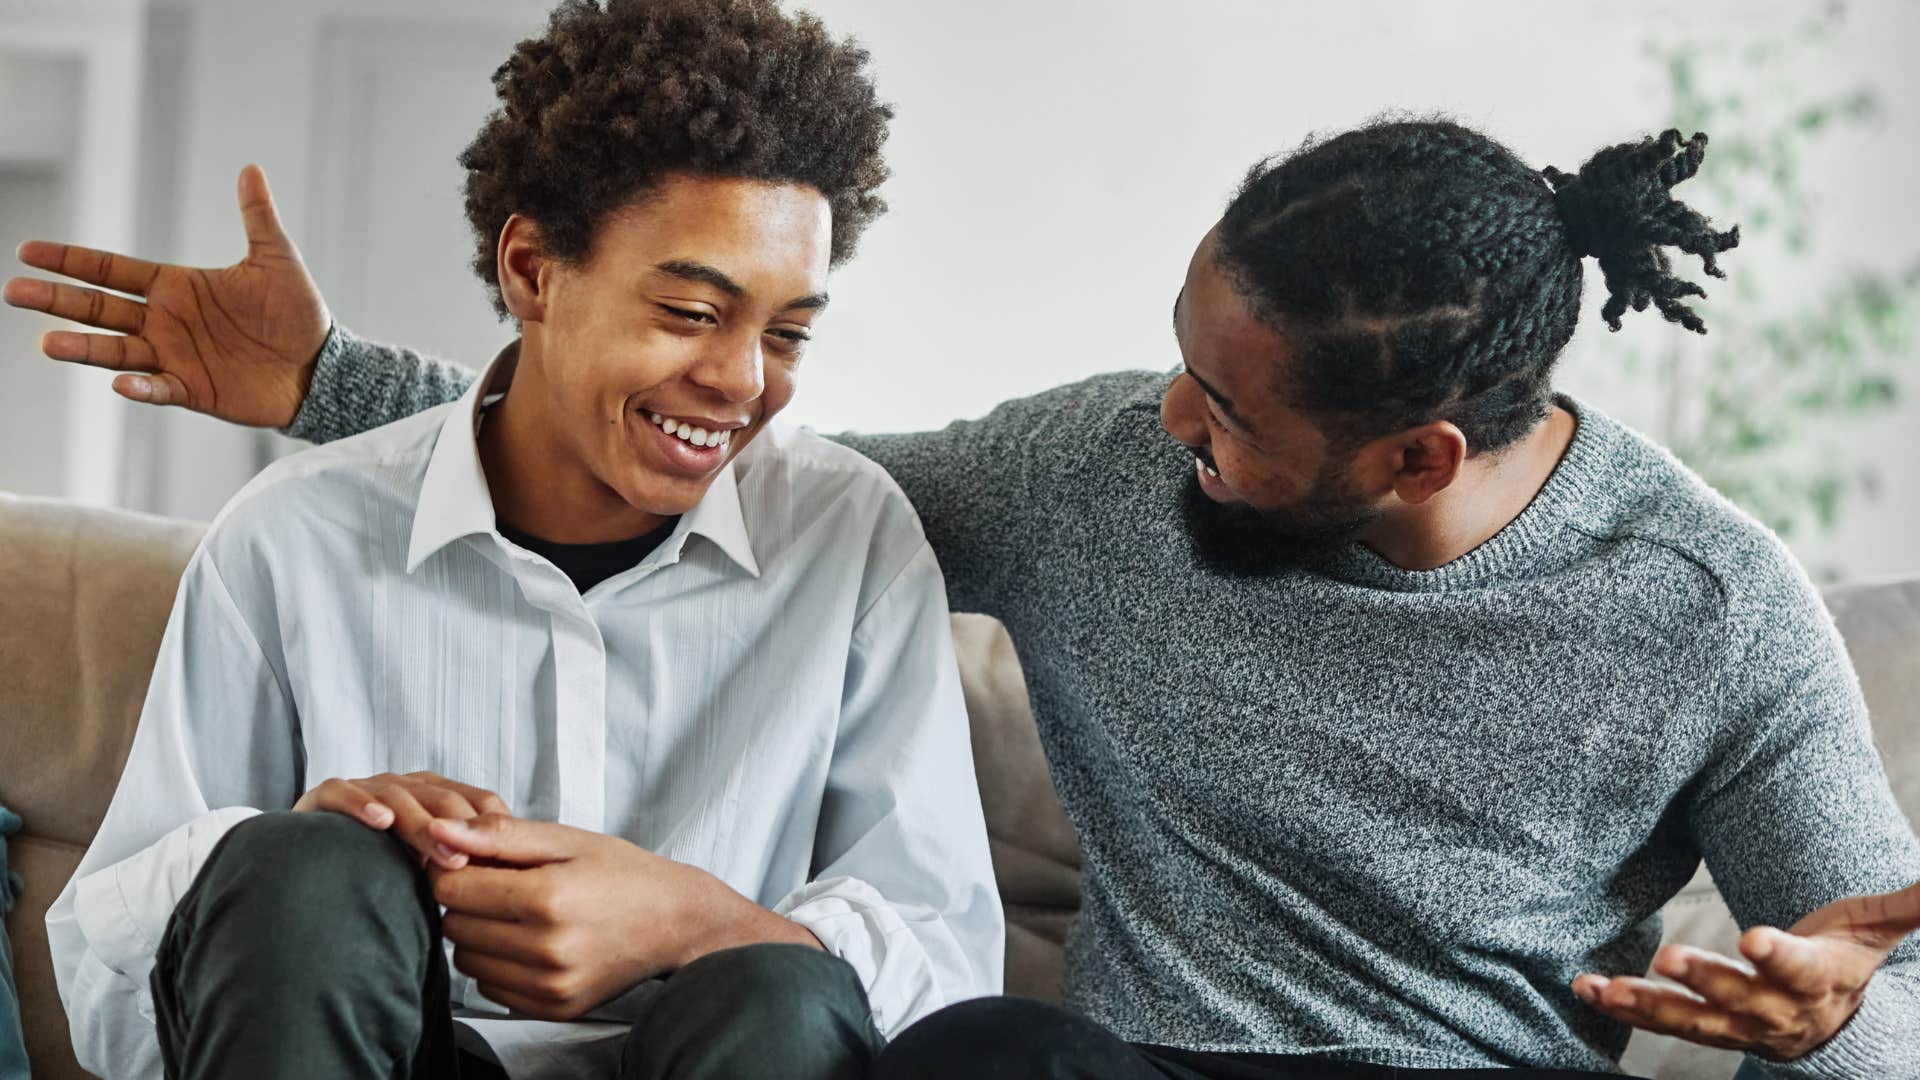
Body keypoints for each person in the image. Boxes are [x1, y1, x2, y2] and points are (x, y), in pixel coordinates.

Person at [12, 93, 1919, 1080]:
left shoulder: (1711, 608)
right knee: (984, 1051)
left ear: (1416, 457)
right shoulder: (1101, 469)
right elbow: (728, 459)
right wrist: (333, 387)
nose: (1162, 415)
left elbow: (1860, 958)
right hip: (1116, 1075)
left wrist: (1836, 1020)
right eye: (1180, 348)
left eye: (1226, 413)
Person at [26, 2, 1004, 1077]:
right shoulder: (292, 536)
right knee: (302, 872)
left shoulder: (851, 537)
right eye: (687, 312)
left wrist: (689, 918)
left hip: (712, 1055)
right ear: (532, 269)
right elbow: (106, 989)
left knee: (778, 988)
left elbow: (945, 969)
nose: (740, 381)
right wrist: (295, 854)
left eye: (787, 333)